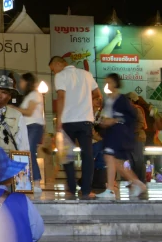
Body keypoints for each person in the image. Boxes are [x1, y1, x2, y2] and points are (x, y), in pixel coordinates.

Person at [49, 55, 102, 199]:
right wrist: (86, 102)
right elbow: (98, 95)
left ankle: (71, 189)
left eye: (53, 69)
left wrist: (58, 120)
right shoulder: (86, 74)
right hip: (86, 120)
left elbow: (61, 97)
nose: (54, 72)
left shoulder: (61, 76)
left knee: (67, 156)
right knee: (88, 155)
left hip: (67, 121)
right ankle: (86, 190)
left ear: (59, 64)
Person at [98, 73, 147, 198]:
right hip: (111, 134)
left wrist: (114, 120)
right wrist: (104, 122)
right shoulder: (109, 100)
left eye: (108, 82)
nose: (106, 84)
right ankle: (137, 183)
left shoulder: (122, 100)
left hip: (118, 135)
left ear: (114, 83)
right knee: (118, 163)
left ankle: (110, 189)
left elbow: (131, 117)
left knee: (110, 158)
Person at [12, 73, 46, 194]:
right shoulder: (28, 96)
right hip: (27, 127)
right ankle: (24, 182)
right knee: (24, 152)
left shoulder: (35, 94)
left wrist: (13, 108)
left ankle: (36, 182)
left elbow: (29, 111)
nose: (20, 84)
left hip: (34, 126)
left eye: (21, 81)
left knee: (30, 153)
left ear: (27, 82)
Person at [127, 92, 147, 183]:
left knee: (138, 160)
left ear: (131, 100)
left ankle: (141, 181)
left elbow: (141, 123)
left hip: (138, 137)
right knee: (132, 161)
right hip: (131, 138)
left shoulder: (136, 109)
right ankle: (135, 181)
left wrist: (130, 130)